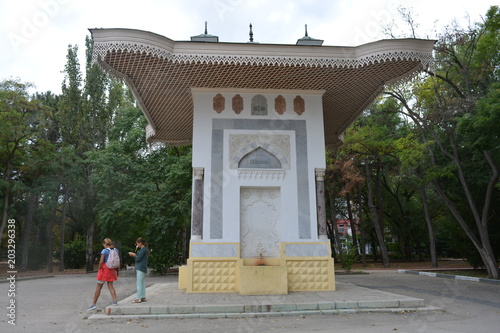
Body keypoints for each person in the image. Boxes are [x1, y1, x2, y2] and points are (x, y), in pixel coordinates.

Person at [86, 238, 119, 311]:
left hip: (104, 270)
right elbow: (117, 261)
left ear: (104, 244)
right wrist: (118, 271)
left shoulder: (104, 251)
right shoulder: (116, 250)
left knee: (98, 287)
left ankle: (93, 304)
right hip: (112, 270)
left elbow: (101, 261)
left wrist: (99, 269)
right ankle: (115, 301)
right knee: (111, 286)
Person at [128, 237, 149, 303]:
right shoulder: (144, 249)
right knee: (142, 283)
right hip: (143, 267)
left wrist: (134, 255)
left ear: (140, 243)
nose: (137, 245)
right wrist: (136, 255)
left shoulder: (142, 249)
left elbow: (138, 258)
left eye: (137, 243)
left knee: (139, 283)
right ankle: (143, 297)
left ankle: (138, 298)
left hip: (140, 267)